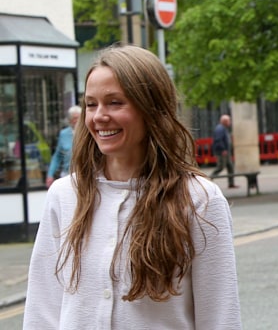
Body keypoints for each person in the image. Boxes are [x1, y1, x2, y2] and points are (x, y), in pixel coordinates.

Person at [23, 45, 241, 329]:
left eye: (115, 102)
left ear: (151, 108)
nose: (99, 116)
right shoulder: (65, 196)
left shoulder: (199, 199)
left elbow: (220, 317)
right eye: (91, 104)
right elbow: (42, 311)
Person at [45, 105, 82, 188]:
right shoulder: (64, 134)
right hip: (67, 174)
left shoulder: (88, 132)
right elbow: (57, 156)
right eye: (74, 118)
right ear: (69, 120)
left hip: (84, 175)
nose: (76, 121)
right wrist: (50, 174)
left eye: (78, 118)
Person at [210, 114, 238, 188]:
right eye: (229, 120)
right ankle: (209, 180)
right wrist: (223, 149)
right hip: (222, 152)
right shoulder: (220, 129)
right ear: (225, 121)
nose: (230, 122)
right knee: (220, 167)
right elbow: (218, 140)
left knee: (230, 167)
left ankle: (231, 183)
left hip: (226, 152)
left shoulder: (224, 128)